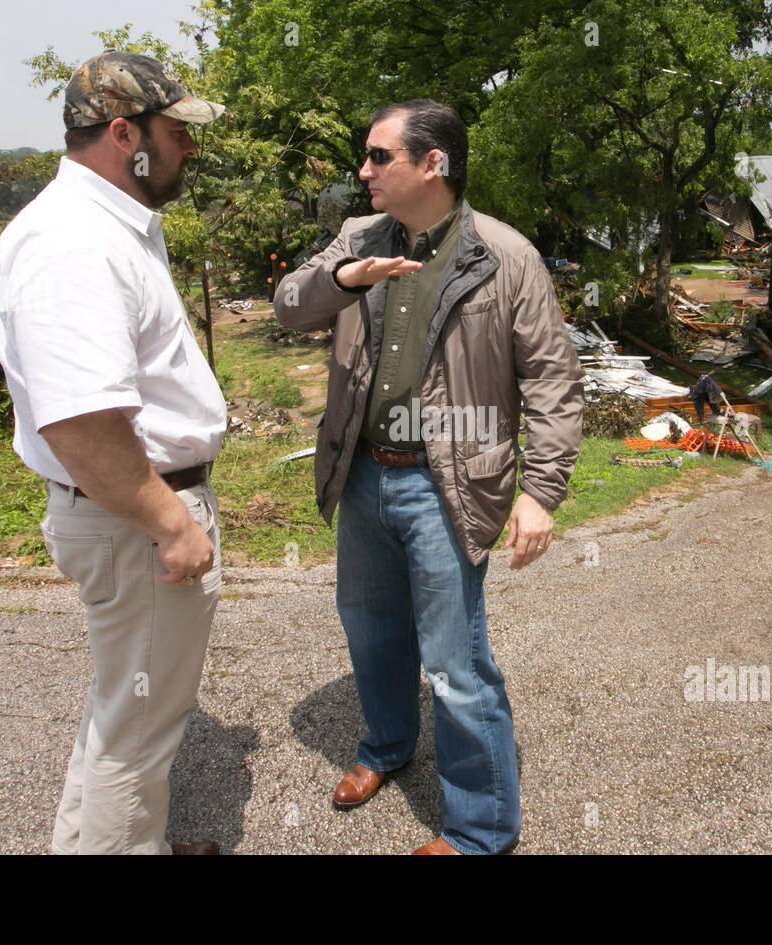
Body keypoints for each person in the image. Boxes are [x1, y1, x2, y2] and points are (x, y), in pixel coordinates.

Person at [274, 99, 583, 855]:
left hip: (445, 483)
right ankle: (386, 745)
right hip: (363, 474)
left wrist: (541, 492)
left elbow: (552, 381)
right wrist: (346, 276)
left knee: (454, 662)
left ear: (432, 163)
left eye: (380, 156)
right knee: (372, 631)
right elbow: (288, 307)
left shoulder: (505, 256)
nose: (365, 169)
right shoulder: (356, 238)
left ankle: (480, 827)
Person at [0, 51, 229, 854]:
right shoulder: (76, 243)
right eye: (177, 132)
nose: (191, 149)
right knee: (140, 732)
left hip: (128, 512)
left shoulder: (104, 222)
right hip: (136, 517)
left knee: (123, 707)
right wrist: (173, 523)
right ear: (125, 133)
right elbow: (84, 425)